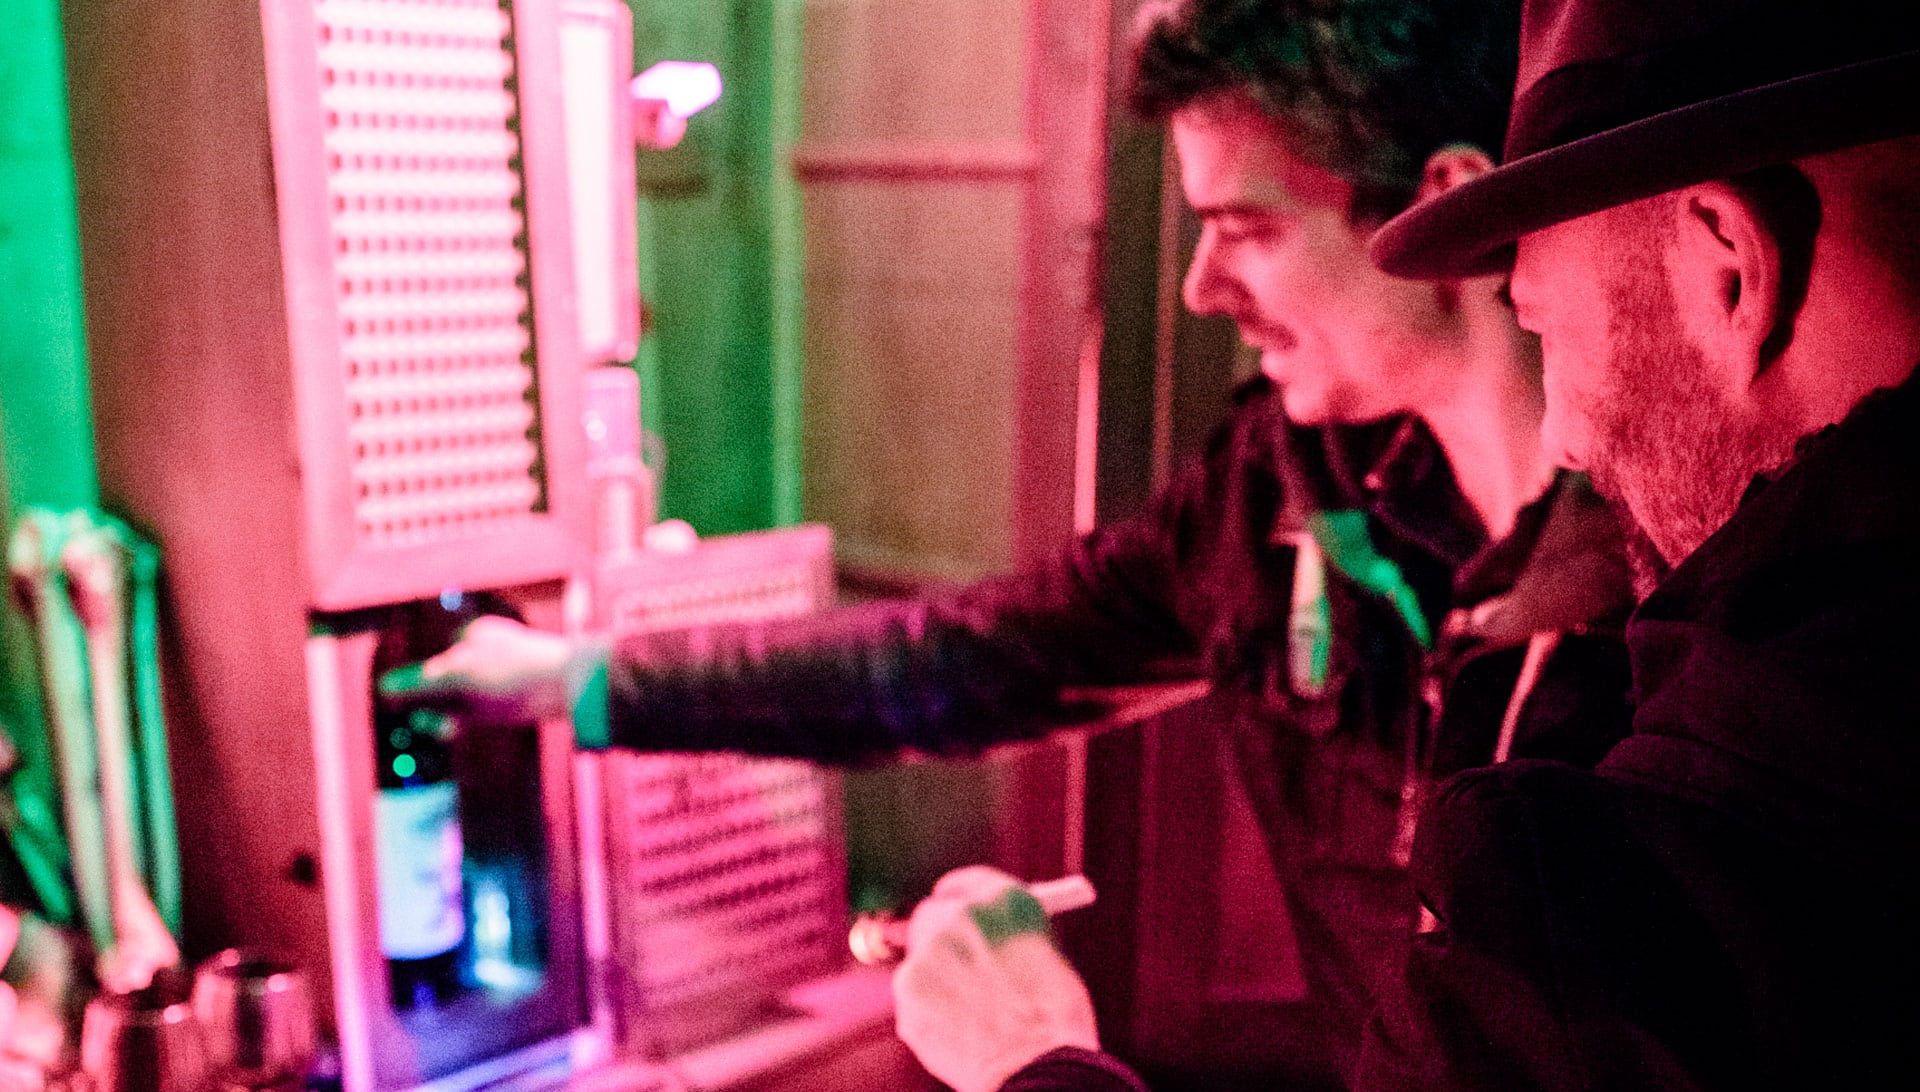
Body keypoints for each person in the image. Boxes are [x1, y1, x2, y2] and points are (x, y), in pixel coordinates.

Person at [386, 1, 1634, 1088]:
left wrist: (1038, 1056)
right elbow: (978, 653)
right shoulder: (1280, 490)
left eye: (1247, 228)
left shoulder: (1657, 594)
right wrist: (584, 680)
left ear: (1443, 201)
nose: (1201, 288)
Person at [1338, 0, 1920, 1087]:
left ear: (1727, 267)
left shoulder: (1608, 947)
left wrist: (1045, 1050)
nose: (1560, 436)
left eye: (1545, 326)